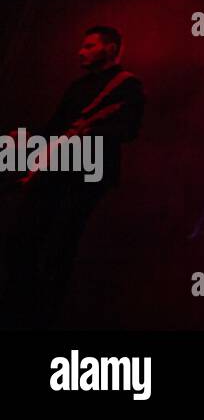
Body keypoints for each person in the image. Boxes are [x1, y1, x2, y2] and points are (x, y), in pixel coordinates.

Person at [0, 25, 145, 328]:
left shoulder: (127, 85)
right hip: (56, 168)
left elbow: (128, 130)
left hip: (87, 172)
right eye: (82, 46)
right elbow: (55, 128)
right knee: (24, 236)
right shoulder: (77, 87)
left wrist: (87, 134)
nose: (81, 51)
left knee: (60, 242)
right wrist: (27, 138)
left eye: (90, 46)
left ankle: (44, 313)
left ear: (110, 48)